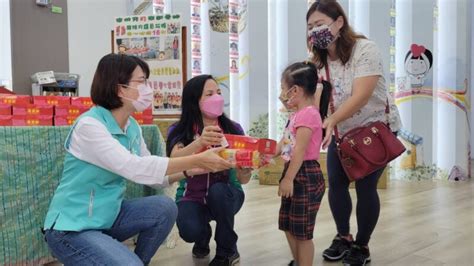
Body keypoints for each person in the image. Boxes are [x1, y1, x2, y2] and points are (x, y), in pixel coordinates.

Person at [43, 54, 234, 266]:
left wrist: (192, 170)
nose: (148, 88)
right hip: (72, 228)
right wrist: (196, 159)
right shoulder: (90, 126)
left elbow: (153, 177)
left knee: (165, 207)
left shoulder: (131, 126)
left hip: (108, 216)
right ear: (119, 88)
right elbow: (135, 168)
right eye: (141, 81)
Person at [306, 1, 402, 265]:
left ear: (339, 23)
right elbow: (315, 102)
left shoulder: (365, 49)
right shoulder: (317, 62)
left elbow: (362, 95)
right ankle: (343, 237)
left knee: (365, 186)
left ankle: (362, 245)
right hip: (342, 132)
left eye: (321, 24)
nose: (315, 31)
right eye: (311, 27)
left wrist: (332, 119)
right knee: (336, 184)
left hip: (373, 129)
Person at [166, 75, 252, 266]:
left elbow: (243, 179)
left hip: (228, 194)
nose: (217, 98)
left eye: (219, 93)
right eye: (210, 94)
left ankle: (227, 251)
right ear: (194, 101)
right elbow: (173, 161)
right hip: (191, 196)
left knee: (218, 191)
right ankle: (202, 235)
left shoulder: (233, 129)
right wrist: (200, 142)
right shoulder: (180, 130)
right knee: (189, 230)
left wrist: (246, 169)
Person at [275, 61, 331, 266]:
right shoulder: (297, 114)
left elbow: (299, 151)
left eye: (283, 89)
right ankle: (299, 262)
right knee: (288, 225)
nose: (281, 94)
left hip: (304, 174)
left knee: (302, 233)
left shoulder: (309, 114)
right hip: (294, 171)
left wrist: (289, 178)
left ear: (295, 90)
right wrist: (262, 155)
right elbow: (285, 143)